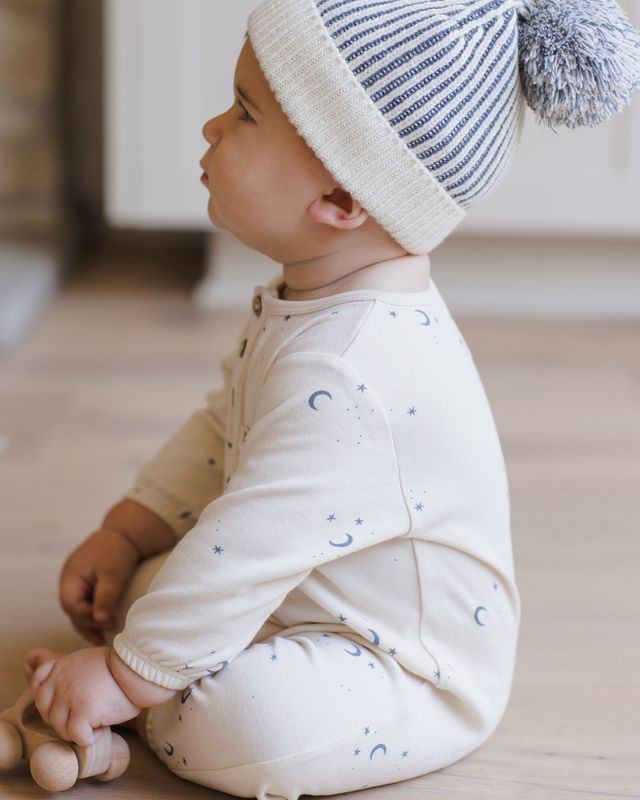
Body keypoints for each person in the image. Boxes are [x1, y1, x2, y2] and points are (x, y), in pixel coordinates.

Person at [24, 1, 640, 798]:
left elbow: (251, 538)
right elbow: (226, 428)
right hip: (311, 584)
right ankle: (158, 676)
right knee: (149, 586)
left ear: (344, 201)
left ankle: (144, 697)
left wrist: (122, 676)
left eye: (243, 114)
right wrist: (126, 529)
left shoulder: (356, 372)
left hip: (405, 666)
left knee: (240, 715)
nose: (211, 128)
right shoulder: (310, 301)